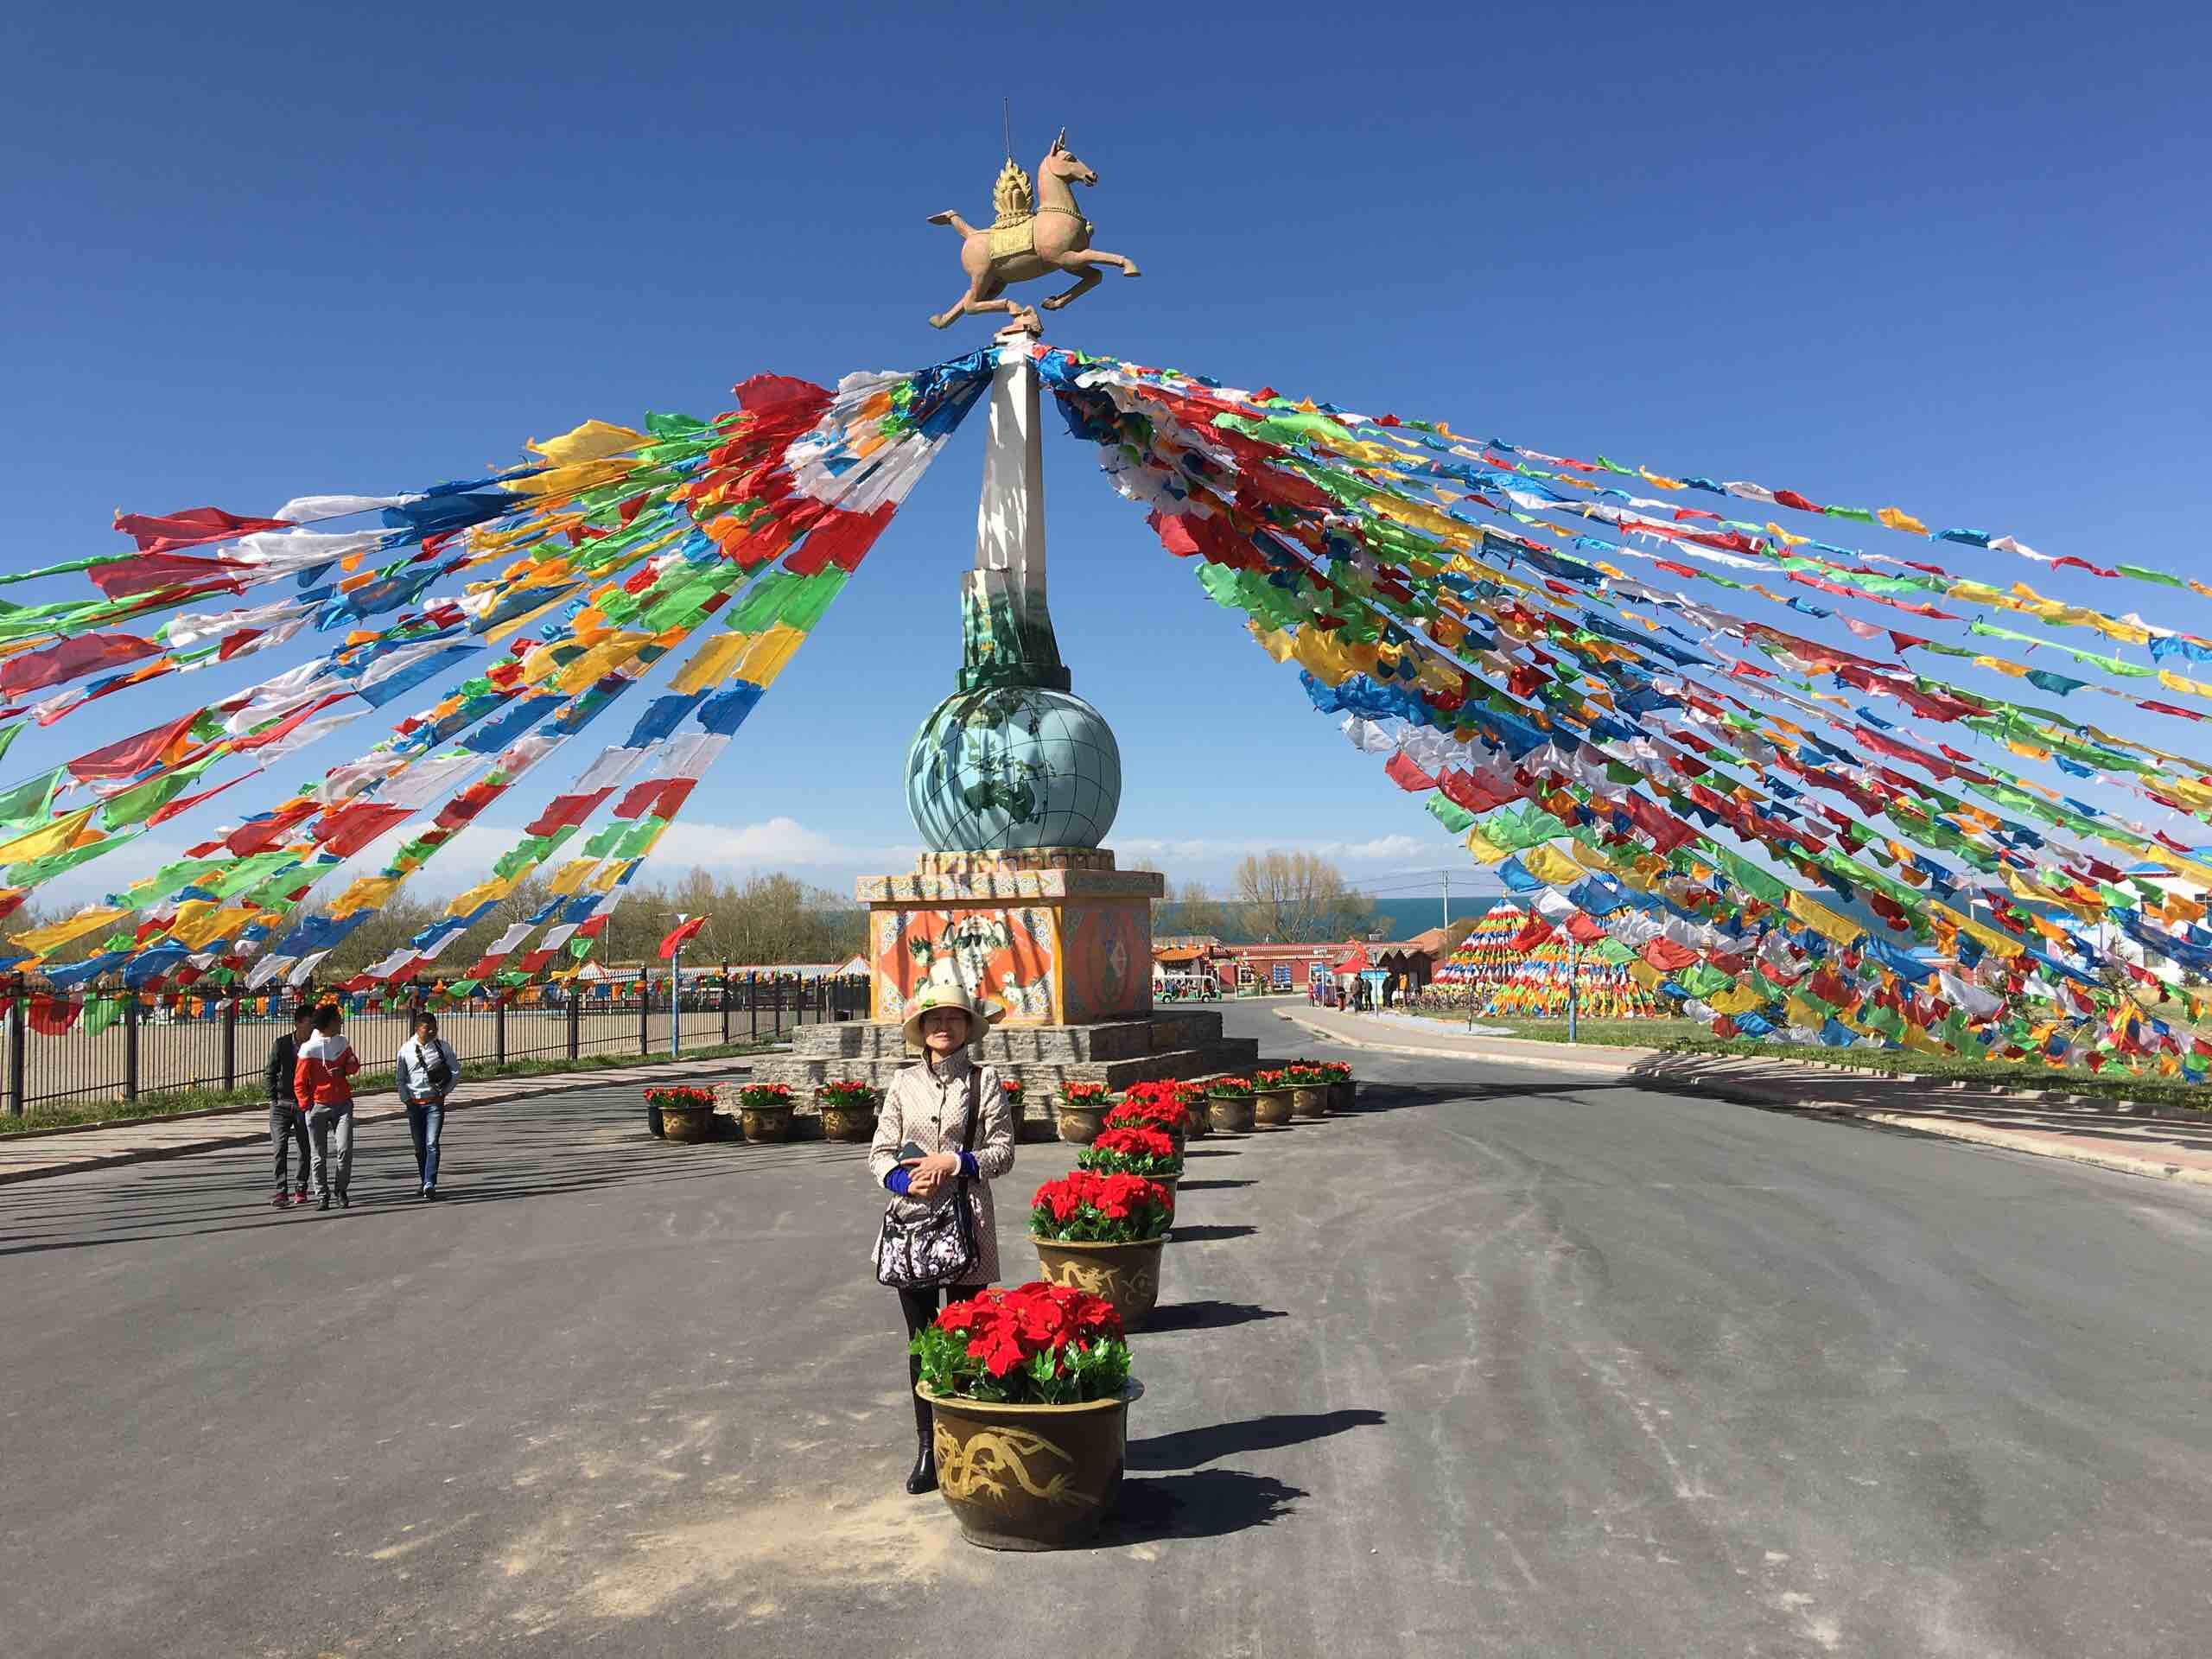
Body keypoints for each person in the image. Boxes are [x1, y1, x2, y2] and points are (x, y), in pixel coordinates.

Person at [868, 981, 1015, 1497]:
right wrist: (907, 1180)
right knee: (921, 1340)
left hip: (967, 1220)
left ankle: (971, 1443)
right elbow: (880, 1152)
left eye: (953, 1019)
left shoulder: (984, 1081)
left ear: (967, 1028)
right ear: (922, 1032)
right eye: (934, 1021)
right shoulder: (903, 1083)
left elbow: (1003, 1152)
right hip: (911, 1224)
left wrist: (953, 1162)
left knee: (970, 1336)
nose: (943, 1028)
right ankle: (929, 1446)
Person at [294, 1004, 362, 1211]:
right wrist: (307, 1106)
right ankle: (322, 1195)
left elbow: (354, 1065)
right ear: (330, 1023)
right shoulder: (309, 1049)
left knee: (344, 1149)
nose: (341, 1023)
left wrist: (343, 1070)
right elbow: (299, 1082)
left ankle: (340, 1189)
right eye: (338, 1019)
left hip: (342, 1104)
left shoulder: (342, 1043)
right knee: (318, 1154)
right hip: (318, 1106)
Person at [396, 1012, 460, 1200]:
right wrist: (405, 1099)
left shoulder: (442, 1047)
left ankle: (430, 1182)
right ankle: (424, 1181)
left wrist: (444, 1092)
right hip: (414, 1104)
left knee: (431, 1142)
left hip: (434, 1103)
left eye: (434, 1027)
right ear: (418, 1029)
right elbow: (400, 1078)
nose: (432, 1031)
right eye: (428, 1027)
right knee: (419, 1147)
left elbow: (455, 1071)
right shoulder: (406, 1049)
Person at [264, 1005, 315, 1208]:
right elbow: (270, 1071)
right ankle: (281, 1190)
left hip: (304, 1105)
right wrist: (272, 1097)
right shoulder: (282, 1044)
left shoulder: (315, 1046)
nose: (313, 1027)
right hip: (281, 1103)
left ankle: (301, 1188)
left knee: (305, 1148)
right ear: (298, 1023)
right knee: (279, 1147)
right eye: (309, 1023)